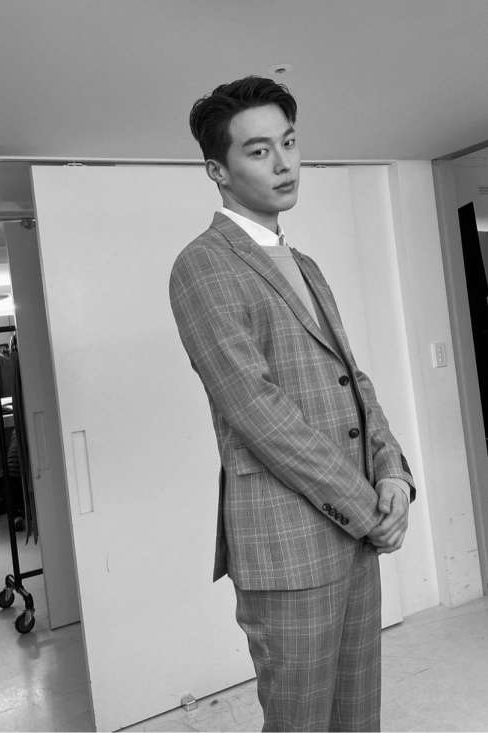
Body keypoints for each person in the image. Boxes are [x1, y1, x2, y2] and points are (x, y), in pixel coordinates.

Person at [169, 76, 416, 732]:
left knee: (358, 717)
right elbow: (260, 411)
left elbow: (353, 381)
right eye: (258, 151)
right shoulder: (202, 266)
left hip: (356, 535)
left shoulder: (305, 265)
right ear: (217, 170)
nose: (283, 163)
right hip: (288, 549)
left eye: (289, 142)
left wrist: (392, 472)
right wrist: (368, 510)